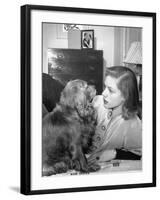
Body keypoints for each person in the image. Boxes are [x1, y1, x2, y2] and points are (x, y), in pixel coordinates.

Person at [88, 66, 142, 165]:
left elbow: (139, 153)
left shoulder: (132, 123)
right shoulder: (98, 102)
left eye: (111, 90)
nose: (104, 93)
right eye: (105, 87)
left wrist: (113, 153)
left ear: (126, 96)